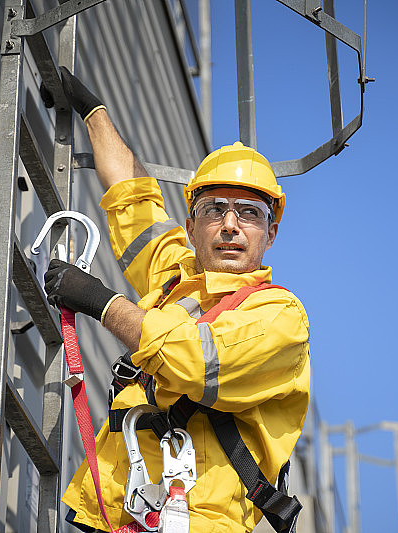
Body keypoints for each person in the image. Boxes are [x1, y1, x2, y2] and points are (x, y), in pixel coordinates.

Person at [43, 67, 310, 533]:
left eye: (249, 212)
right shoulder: (175, 282)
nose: (230, 224)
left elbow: (195, 361)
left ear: (271, 233)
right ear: (191, 227)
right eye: (214, 210)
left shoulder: (281, 318)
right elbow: (133, 198)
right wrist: (93, 112)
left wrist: (99, 300)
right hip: (111, 514)